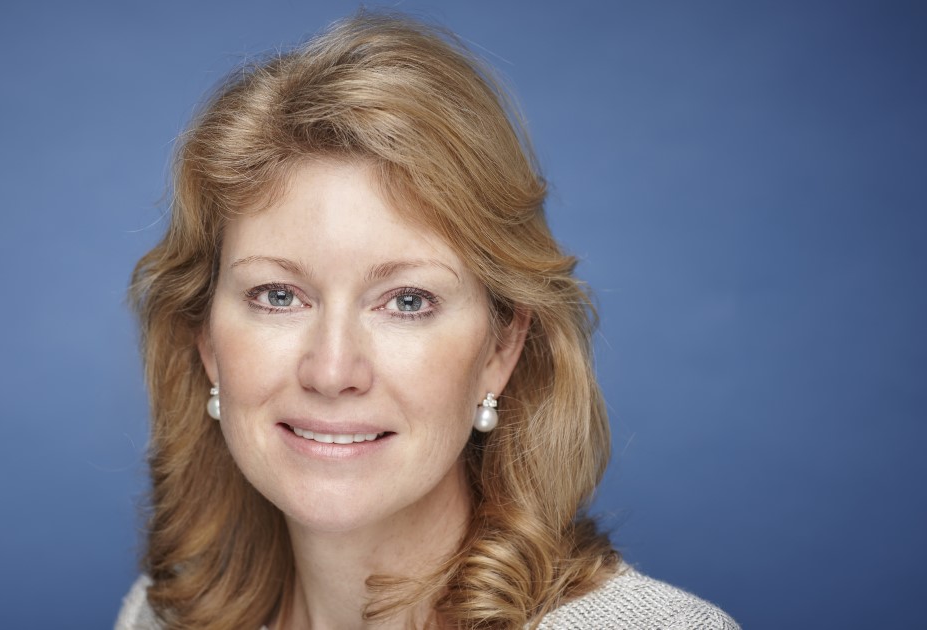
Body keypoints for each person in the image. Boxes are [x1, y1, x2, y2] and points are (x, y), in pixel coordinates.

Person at [117, 11, 738, 630]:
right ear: (205, 339)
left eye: (407, 301)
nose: (332, 371)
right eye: (278, 295)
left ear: (501, 347)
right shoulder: (157, 617)